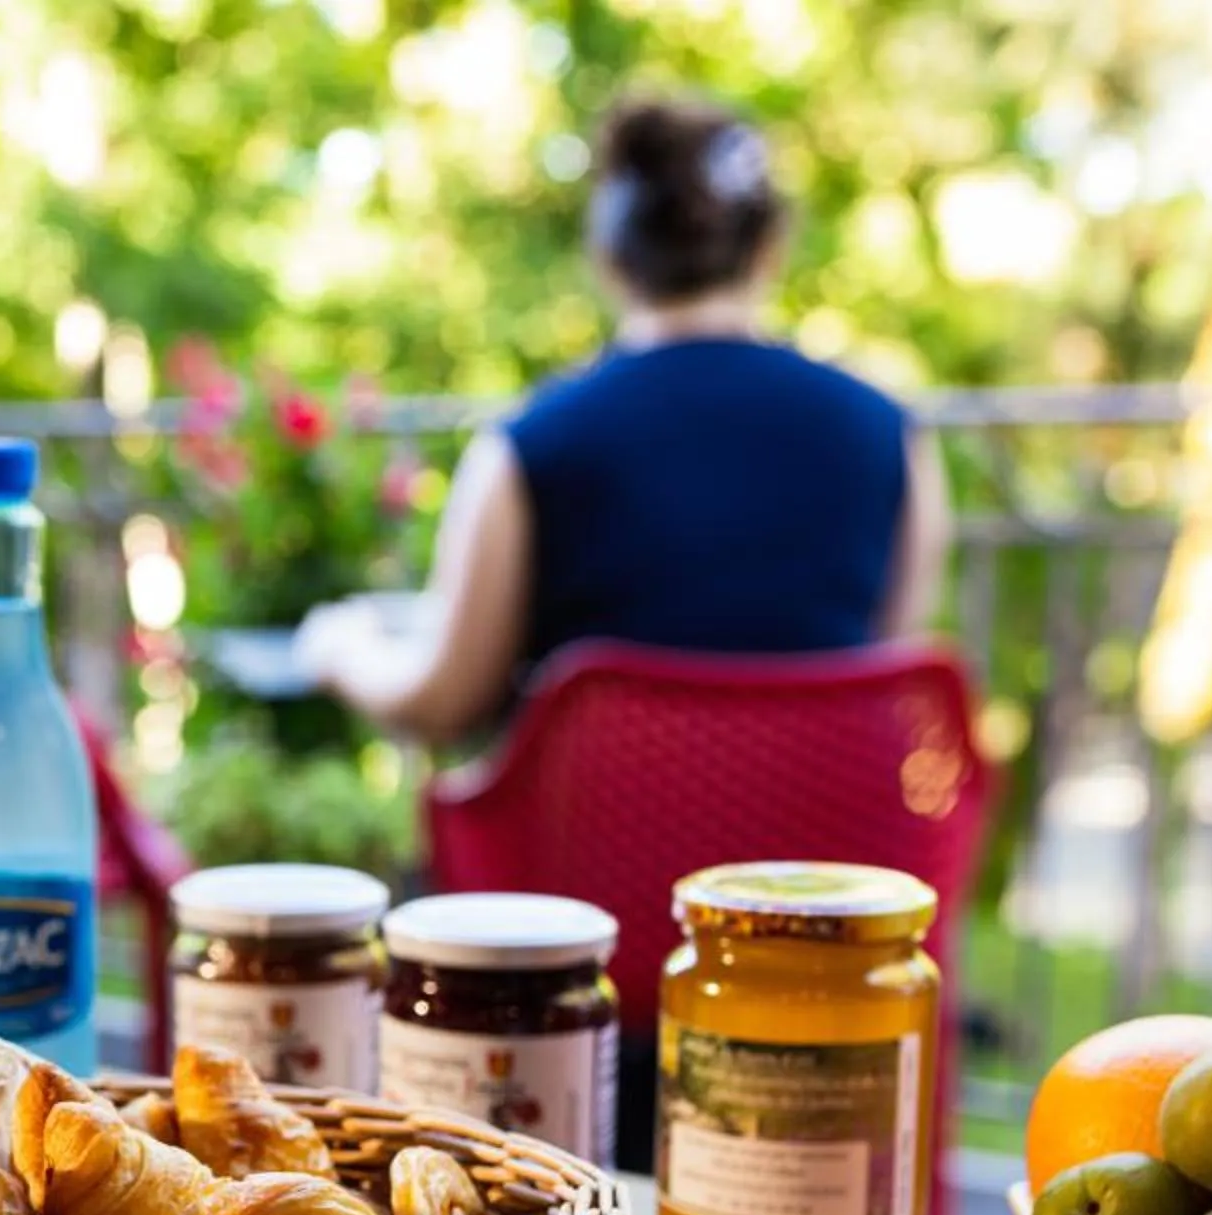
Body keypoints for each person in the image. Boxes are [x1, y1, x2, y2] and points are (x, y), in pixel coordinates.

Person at [305, 97, 950, 742]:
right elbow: (883, 678)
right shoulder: (892, 434)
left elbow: (444, 704)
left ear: (611, 259)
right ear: (769, 249)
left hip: (591, 844)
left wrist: (343, 652)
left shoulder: (529, 445)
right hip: (824, 839)